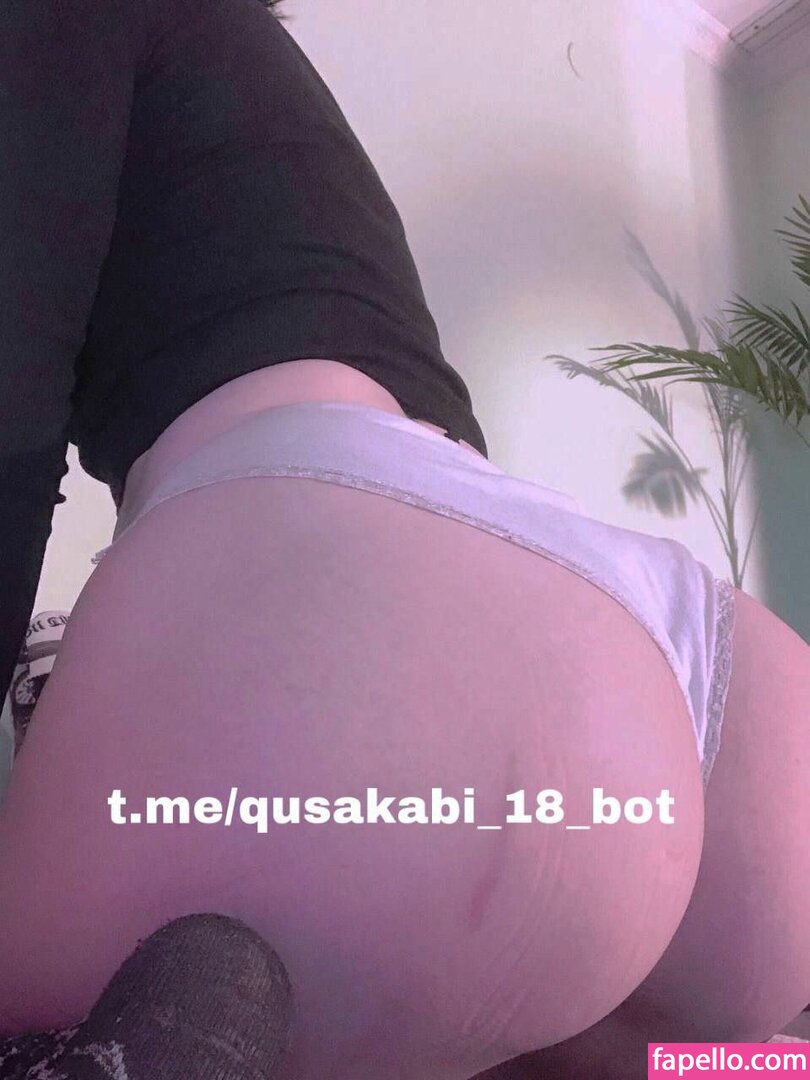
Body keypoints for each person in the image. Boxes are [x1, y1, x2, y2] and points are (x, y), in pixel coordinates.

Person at [0, 3, 807, 1078]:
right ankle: (765, 1062)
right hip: (725, 699)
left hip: (397, 693)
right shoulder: (239, 76)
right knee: (685, 1059)